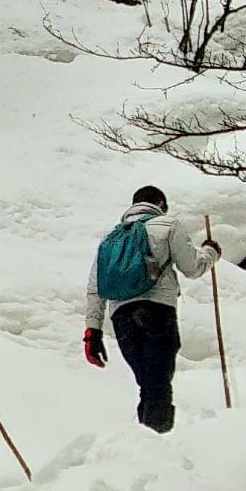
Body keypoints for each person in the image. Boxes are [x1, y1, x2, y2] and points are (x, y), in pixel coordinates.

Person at [82, 185, 215, 433]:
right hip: (157, 311)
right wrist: (210, 252)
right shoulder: (167, 225)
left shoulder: (110, 239)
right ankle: (156, 448)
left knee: (149, 384)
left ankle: (145, 443)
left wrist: (93, 333)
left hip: (121, 317)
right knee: (157, 384)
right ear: (160, 203)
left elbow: (95, 287)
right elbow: (193, 267)